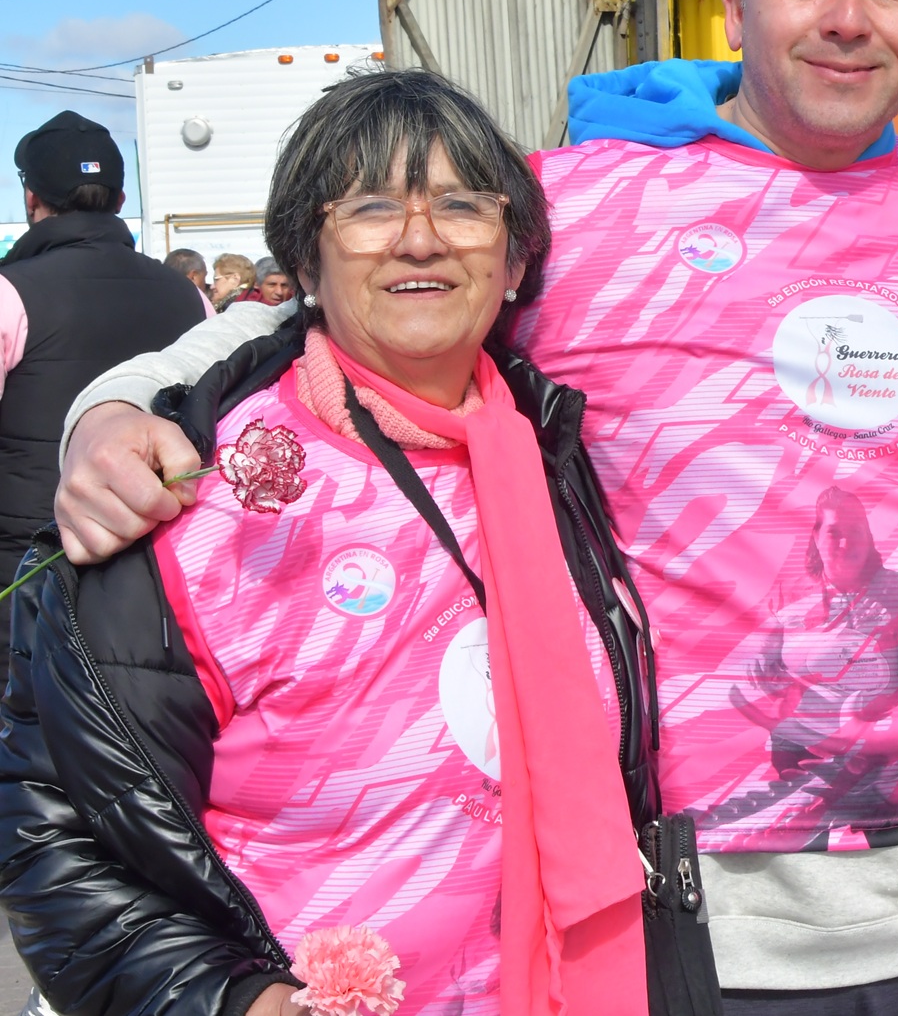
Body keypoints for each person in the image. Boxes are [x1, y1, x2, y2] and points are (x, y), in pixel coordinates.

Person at [53, 0, 898, 1014]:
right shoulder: (583, 203)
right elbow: (355, 301)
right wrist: (114, 404)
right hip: (704, 909)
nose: (845, 19)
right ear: (733, 5)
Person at [0, 70, 652, 1016]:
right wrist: (235, 1000)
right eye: (373, 207)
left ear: (514, 261)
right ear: (305, 261)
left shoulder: (569, 452)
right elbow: (49, 825)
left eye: (464, 205)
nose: (421, 237)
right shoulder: (202, 491)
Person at [0, 112, 208, 650]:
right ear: (119, 200)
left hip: (29, 580)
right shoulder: (192, 297)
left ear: (30, 200)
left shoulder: (9, 293)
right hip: (160, 580)